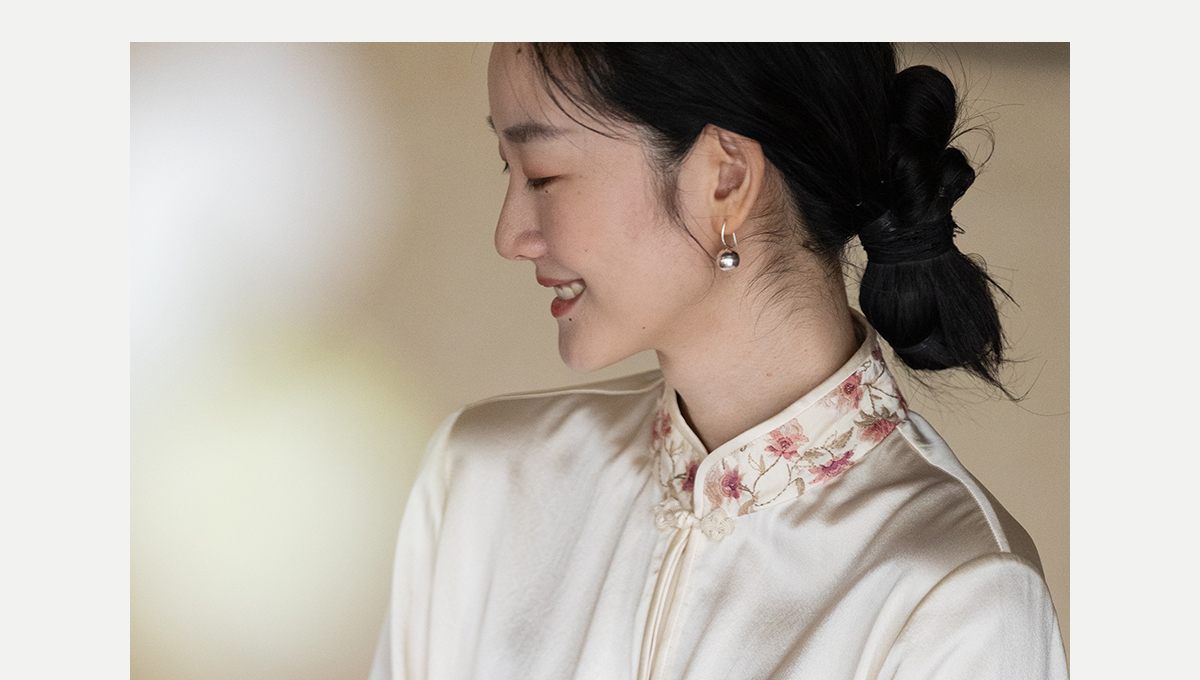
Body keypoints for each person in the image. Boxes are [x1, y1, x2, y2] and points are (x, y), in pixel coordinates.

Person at [370, 43, 1068, 680]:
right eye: (509, 167)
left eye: (543, 175)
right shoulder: (483, 479)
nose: (509, 235)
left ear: (725, 179)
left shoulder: (956, 595)